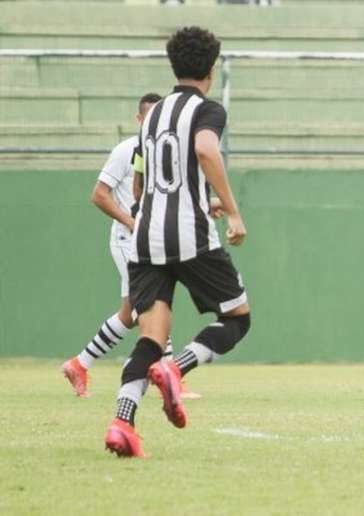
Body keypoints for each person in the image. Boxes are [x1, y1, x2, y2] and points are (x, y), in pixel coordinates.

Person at [104, 26, 250, 457]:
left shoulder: (151, 117)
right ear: (210, 68)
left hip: (145, 235)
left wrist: (195, 199)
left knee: (149, 338)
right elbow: (205, 150)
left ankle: (122, 424)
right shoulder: (208, 110)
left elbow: (143, 184)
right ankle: (177, 367)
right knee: (237, 319)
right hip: (189, 235)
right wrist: (232, 209)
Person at [61, 93, 168, 398]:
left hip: (147, 241)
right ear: (139, 120)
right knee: (154, 305)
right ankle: (172, 377)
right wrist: (129, 221)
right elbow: (99, 194)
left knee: (128, 314)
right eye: (147, 117)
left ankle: (79, 364)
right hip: (127, 240)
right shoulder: (126, 151)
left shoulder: (160, 152)